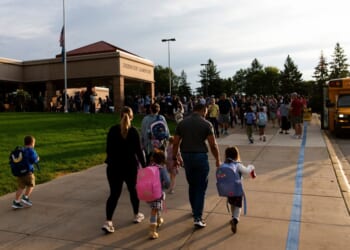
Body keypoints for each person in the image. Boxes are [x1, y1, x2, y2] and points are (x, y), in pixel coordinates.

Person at [172, 103, 221, 228]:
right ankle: (198, 217)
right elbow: (213, 144)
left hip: (186, 156)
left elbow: (176, 142)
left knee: (192, 185)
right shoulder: (206, 124)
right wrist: (217, 159)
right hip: (200, 156)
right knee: (200, 187)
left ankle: (195, 209)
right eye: (206, 111)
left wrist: (175, 157)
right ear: (203, 110)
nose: (206, 113)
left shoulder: (182, 123)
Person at [102, 106, 146, 234]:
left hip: (113, 167)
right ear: (132, 117)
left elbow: (108, 150)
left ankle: (108, 221)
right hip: (129, 167)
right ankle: (136, 214)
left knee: (114, 194)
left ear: (120, 115)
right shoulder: (133, 132)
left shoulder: (112, 130)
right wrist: (145, 166)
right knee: (133, 191)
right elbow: (139, 152)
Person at [219, 146, 256, 234]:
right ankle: (235, 220)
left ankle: (232, 217)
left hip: (228, 190)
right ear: (236, 155)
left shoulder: (223, 165)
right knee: (238, 206)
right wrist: (251, 167)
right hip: (238, 190)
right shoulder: (238, 165)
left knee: (232, 203)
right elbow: (247, 171)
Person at [147, 150, 170, 239]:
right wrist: (164, 187)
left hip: (148, 193)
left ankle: (159, 219)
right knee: (154, 209)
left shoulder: (149, 167)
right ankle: (152, 230)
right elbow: (167, 181)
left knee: (157, 207)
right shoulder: (161, 169)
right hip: (156, 193)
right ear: (162, 160)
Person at [12, 135, 40, 209]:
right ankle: (25, 197)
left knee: (20, 187)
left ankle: (16, 202)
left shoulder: (22, 150)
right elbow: (34, 160)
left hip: (19, 174)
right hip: (28, 173)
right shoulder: (31, 150)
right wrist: (37, 158)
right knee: (31, 185)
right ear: (32, 143)